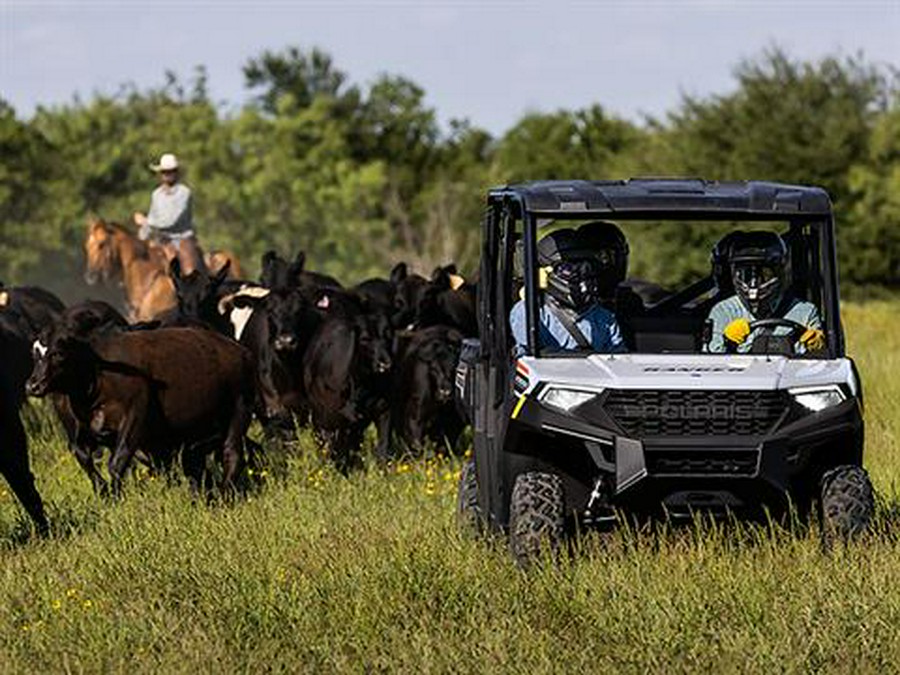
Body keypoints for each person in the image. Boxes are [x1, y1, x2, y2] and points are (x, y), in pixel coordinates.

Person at [706, 231, 824, 354]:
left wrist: (818, 348)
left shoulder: (805, 312)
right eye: (745, 274)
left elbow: (820, 364)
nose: (754, 284)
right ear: (734, 273)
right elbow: (710, 363)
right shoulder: (723, 311)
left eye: (764, 274)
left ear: (780, 272)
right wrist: (726, 341)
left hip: (789, 372)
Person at [510, 228, 626, 354]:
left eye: (585, 266)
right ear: (545, 272)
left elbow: (620, 359)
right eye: (567, 268)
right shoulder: (529, 313)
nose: (579, 273)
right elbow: (526, 361)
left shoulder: (604, 318)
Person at [133, 153, 204, 274]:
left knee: (190, 272)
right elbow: (152, 218)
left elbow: (172, 221)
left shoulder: (184, 193)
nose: (167, 175)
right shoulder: (156, 194)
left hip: (182, 239)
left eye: (171, 171)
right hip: (161, 241)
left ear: (177, 172)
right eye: (164, 172)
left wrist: (145, 221)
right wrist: (141, 238)